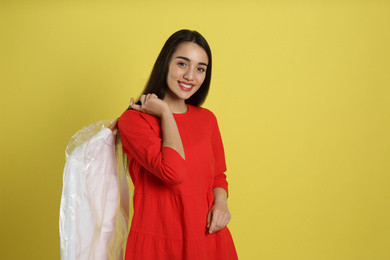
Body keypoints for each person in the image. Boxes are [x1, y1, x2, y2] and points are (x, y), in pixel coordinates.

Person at [118, 29, 238, 260]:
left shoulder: (207, 119)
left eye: (200, 69)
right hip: (160, 243)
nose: (191, 76)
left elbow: (217, 176)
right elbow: (173, 172)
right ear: (165, 63)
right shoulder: (134, 121)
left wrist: (221, 204)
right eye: (182, 64)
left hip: (208, 238)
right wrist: (165, 113)